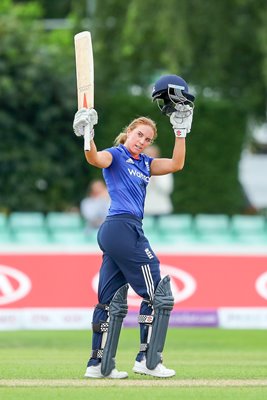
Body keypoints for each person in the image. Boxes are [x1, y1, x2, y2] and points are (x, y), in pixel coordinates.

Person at [73, 74, 195, 379]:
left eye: (148, 139)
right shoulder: (116, 155)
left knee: (109, 299)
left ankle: (98, 365)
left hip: (120, 231)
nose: (142, 141)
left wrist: (180, 132)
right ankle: (147, 359)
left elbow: (176, 165)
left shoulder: (145, 164)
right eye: (139, 135)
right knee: (158, 295)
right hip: (121, 227)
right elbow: (94, 158)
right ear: (128, 133)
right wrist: (88, 136)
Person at [143, 144, 174, 225]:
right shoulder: (137, 169)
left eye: (151, 154)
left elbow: (167, 189)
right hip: (145, 209)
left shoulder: (165, 168)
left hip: (162, 209)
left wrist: (155, 179)